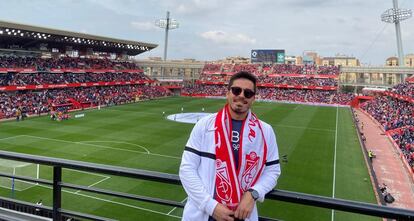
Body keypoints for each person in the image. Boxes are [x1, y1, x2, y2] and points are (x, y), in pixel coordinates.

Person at [179, 71, 281, 221]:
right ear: (228, 93)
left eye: (247, 93)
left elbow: (273, 171)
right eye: (236, 90)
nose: (241, 95)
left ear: (253, 98)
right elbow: (187, 169)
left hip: (241, 216)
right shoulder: (204, 125)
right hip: (203, 214)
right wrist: (211, 207)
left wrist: (254, 193)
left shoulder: (265, 131)